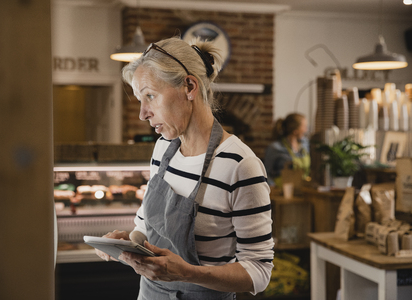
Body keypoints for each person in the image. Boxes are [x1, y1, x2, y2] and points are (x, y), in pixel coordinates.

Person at [96, 37, 274, 299]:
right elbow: (145, 227)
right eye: (140, 100)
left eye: (150, 96)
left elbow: (259, 272)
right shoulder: (162, 149)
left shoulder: (240, 165)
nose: (142, 113)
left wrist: (187, 272)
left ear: (189, 87)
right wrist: (129, 244)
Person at [264, 113, 310, 187]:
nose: (306, 130)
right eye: (304, 127)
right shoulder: (275, 148)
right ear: (295, 131)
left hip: (301, 190)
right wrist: (273, 187)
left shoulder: (305, 145)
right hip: (281, 192)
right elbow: (266, 173)